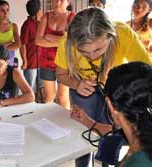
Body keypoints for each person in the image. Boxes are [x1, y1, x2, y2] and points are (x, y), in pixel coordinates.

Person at [54, 7, 152, 167]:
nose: (92, 57)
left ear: (111, 36)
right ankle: (83, 163)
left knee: (113, 137)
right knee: (83, 134)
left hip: (114, 91)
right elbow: (60, 75)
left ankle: (106, 163)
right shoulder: (67, 41)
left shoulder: (123, 34)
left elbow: (146, 72)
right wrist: (77, 84)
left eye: (98, 49)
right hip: (83, 91)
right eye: (84, 52)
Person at [71, 61, 152, 167]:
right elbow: (115, 130)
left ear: (109, 104)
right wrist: (87, 121)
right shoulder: (142, 128)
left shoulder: (139, 162)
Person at [35, 0, 75, 109]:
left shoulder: (72, 17)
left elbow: (72, 43)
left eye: (61, 0)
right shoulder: (46, 17)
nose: (57, 2)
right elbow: (38, 41)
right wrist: (62, 41)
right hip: (46, 62)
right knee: (49, 96)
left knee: (63, 95)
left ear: (68, 1)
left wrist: (48, 36)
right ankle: (46, 122)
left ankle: (63, 123)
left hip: (64, 63)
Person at [0, 44, 35, 120]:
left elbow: (30, 96)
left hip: (11, 114)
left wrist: (3, 102)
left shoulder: (14, 73)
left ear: (7, 62)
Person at [20, 0, 43, 101]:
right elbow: (22, 45)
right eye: (40, 9)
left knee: (42, 86)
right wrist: (25, 61)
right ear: (38, 11)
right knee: (28, 88)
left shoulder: (41, 23)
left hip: (41, 62)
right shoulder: (27, 24)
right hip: (31, 62)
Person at [0, 0, 21, 67]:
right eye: (2, 10)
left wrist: (1, 48)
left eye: (7, 10)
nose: (6, 13)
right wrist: (7, 44)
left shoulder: (14, 26)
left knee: (9, 75)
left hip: (10, 58)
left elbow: (18, 44)